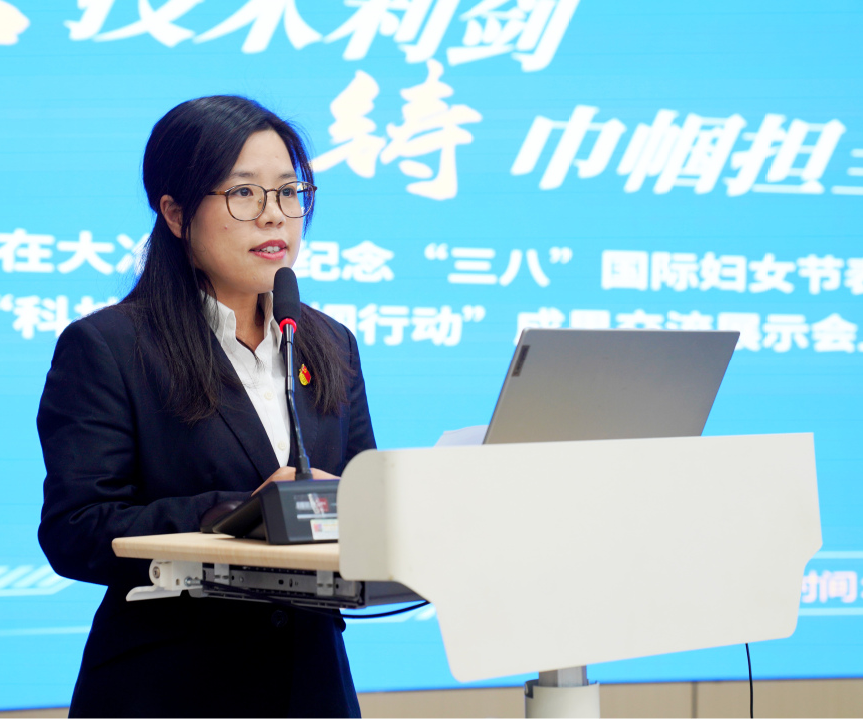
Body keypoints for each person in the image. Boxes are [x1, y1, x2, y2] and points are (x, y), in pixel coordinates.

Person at [37, 95, 375, 718]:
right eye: (244, 193)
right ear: (175, 213)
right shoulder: (109, 347)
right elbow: (76, 530)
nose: (274, 216)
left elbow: (358, 497)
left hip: (313, 686)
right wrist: (238, 514)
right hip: (169, 689)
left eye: (289, 192)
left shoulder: (329, 343)